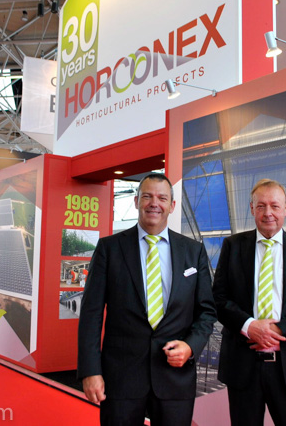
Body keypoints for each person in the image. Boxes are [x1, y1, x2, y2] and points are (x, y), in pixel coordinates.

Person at [78, 173, 217, 426]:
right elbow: (91, 314)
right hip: (120, 378)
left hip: (175, 377)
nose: (154, 203)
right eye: (147, 197)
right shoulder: (109, 248)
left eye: (162, 198)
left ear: (171, 205)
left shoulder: (193, 251)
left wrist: (190, 347)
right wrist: (90, 370)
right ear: (136, 201)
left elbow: (206, 311)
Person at [212, 179, 286, 426]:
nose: (268, 213)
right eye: (261, 206)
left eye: (275, 206)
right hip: (243, 366)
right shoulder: (233, 246)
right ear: (252, 209)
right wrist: (249, 326)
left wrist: (277, 330)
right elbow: (218, 299)